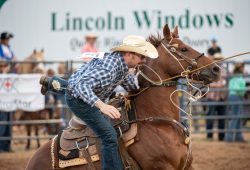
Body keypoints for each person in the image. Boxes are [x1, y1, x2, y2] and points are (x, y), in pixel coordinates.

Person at [40, 35, 158, 169]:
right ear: (130, 54)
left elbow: (131, 86)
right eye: (142, 57)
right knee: (109, 135)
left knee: (72, 87)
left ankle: (51, 83)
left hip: (77, 86)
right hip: (79, 100)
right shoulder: (109, 69)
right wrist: (102, 106)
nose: (143, 61)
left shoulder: (122, 66)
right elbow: (82, 86)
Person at [0, 31, 16, 152]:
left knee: (8, 116)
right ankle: (2, 144)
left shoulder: (8, 49)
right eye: (7, 39)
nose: (8, 40)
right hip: (5, 81)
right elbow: (5, 62)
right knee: (3, 116)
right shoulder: (3, 49)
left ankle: (6, 144)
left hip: (9, 81)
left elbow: (13, 60)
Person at [205, 54, 227, 141]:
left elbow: (226, 82)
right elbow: (208, 82)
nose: (219, 60)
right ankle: (209, 136)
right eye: (216, 59)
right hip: (212, 97)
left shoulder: (224, 70)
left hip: (222, 97)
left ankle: (221, 137)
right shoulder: (210, 70)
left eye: (220, 59)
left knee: (222, 118)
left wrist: (220, 85)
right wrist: (220, 85)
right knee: (210, 117)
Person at [225, 62, 246, 142]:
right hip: (237, 96)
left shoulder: (234, 77)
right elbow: (238, 89)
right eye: (243, 67)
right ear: (240, 68)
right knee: (236, 116)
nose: (244, 69)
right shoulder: (238, 77)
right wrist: (244, 91)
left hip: (234, 96)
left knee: (238, 116)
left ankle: (238, 136)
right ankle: (230, 137)